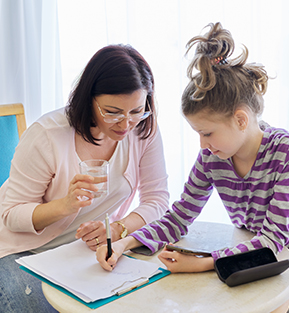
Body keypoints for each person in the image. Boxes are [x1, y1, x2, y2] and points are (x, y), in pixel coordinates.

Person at [97, 22, 289, 275]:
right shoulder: (212, 157)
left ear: (241, 120)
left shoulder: (283, 154)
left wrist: (207, 262)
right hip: (251, 263)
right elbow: (179, 217)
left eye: (207, 133)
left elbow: (273, 240)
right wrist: (125, 242)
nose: (202, 145)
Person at [0, 45, 169, 312]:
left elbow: (157, 199)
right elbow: (11, 214)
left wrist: (117, 229)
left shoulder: (143, 130)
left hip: (79, 251)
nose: (125, 124)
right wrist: (65, 205)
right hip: (20, 251)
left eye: (137, 111)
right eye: (112, 112)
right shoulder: (48, 135)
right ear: (88, 98)